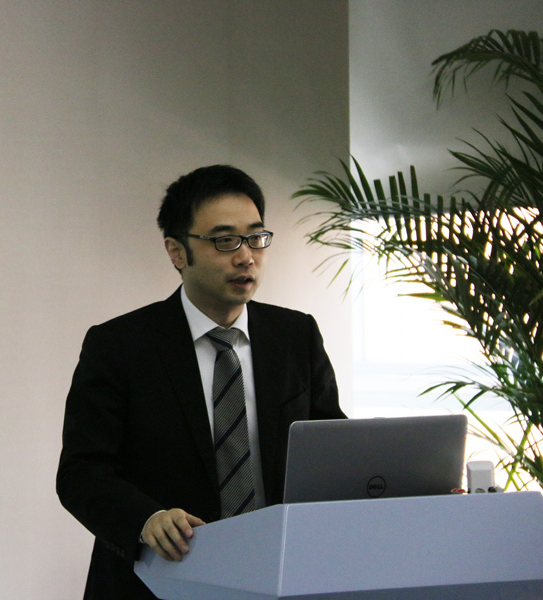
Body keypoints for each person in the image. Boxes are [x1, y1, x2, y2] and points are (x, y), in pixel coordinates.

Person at [56, 164, 346, 599]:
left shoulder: (295, 335)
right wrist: (145, 519)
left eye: (256, 238)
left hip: (278, 578)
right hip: (158, 581)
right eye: (225, 241)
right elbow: (81, 473)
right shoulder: (119, 345)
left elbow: (330, 449)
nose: (246, 257)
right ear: (177, 252)